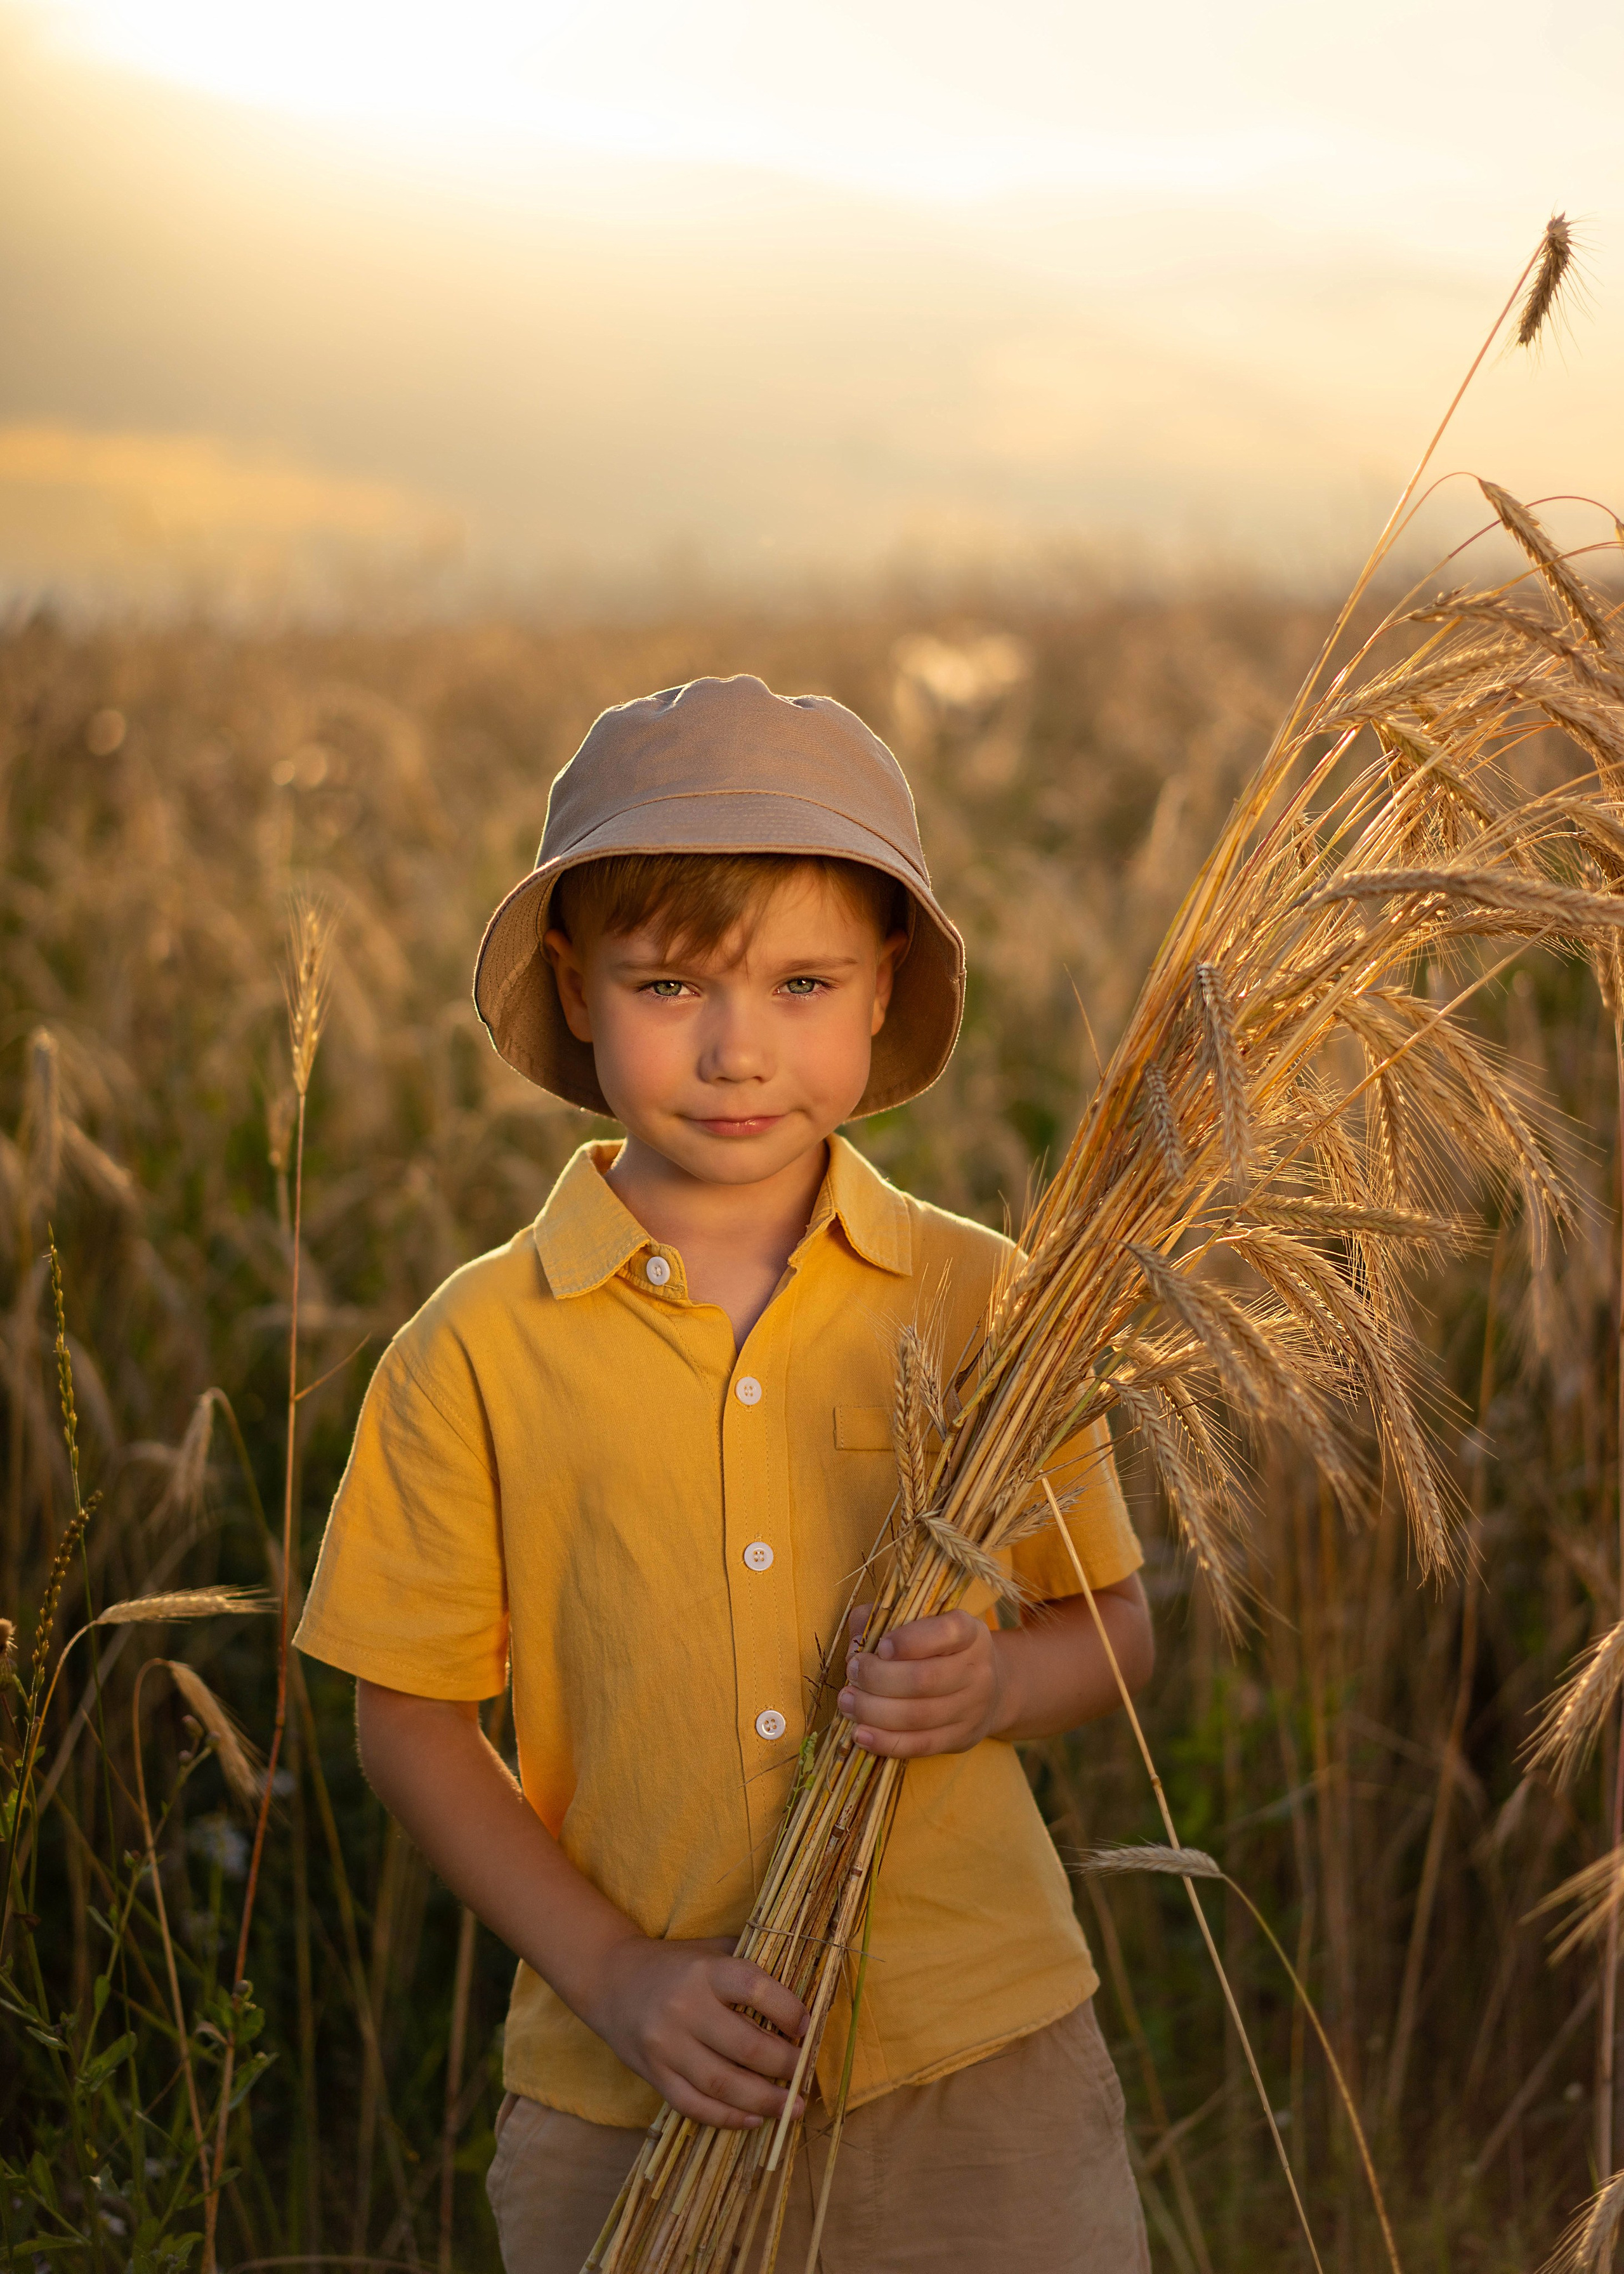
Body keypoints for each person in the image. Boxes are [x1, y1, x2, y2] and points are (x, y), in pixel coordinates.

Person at [295, 674, 1155, 2273]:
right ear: (574, 982)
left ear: (885, 985)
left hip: (977, 2058)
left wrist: (991, 1685)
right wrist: (617, 1977)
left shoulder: (984, 1303)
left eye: (804, 979)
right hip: (631, 2083)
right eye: (670, 982)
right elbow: (405, 1715)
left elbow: (1112, 1622)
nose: (738, 1045)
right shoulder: (473, 1346)